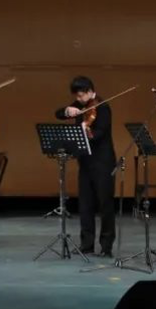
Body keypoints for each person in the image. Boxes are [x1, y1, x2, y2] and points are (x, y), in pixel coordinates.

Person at [56, 76, 117, 256]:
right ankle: (86, 245)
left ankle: (106, 247)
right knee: (85, 205)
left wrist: (85, 130)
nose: (79, 99)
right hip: (85, 162)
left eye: (81, 95)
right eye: (76, 96)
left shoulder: (103, 107)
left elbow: (101, 132)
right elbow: (58, 114)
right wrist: (67, 111)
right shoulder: (80, 105)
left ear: (90, 91)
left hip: (103, 162)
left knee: (105, 205)